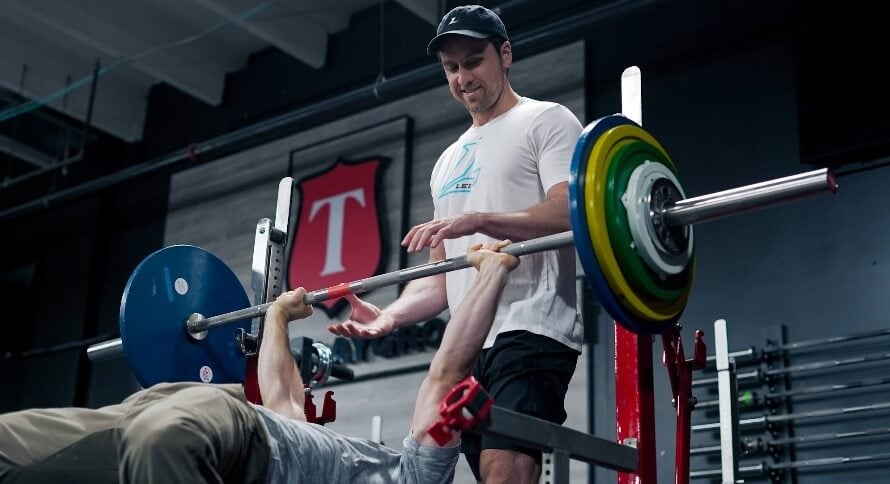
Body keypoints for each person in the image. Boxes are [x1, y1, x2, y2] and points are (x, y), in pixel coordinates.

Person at [0, 241, 518, 484]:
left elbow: (283, 401)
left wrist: (276, 318)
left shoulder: (322, 458)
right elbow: (447, 372)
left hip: (188, 430)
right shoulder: (411, 479)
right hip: (222, 430)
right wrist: (489, 273)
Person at [327, 4, 584, 483]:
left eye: (473, 60)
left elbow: (569, 211)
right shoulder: (446, 161)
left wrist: (480, 220)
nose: (463, 76)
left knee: (503, 473)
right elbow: (441, 280)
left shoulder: (546, 121)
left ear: (504, 55)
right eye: (451, 67)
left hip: (532, 326)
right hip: (469, 343)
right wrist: (389, 316)